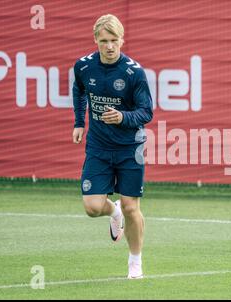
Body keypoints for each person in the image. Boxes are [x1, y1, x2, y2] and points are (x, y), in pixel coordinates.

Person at [72, 14, 153, 279]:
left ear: (122, 40)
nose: (109, 46)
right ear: (95, 40)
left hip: (130, 148)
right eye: (104, 41)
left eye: (114, 40)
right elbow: (79, 89)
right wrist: (79, 122)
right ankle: (113, 210)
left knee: (132, 207)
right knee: (92, 207)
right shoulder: (83, 66)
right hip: (98, 146)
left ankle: (135, 263)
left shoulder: (134, 72)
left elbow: (146, 112)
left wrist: (122, 117)